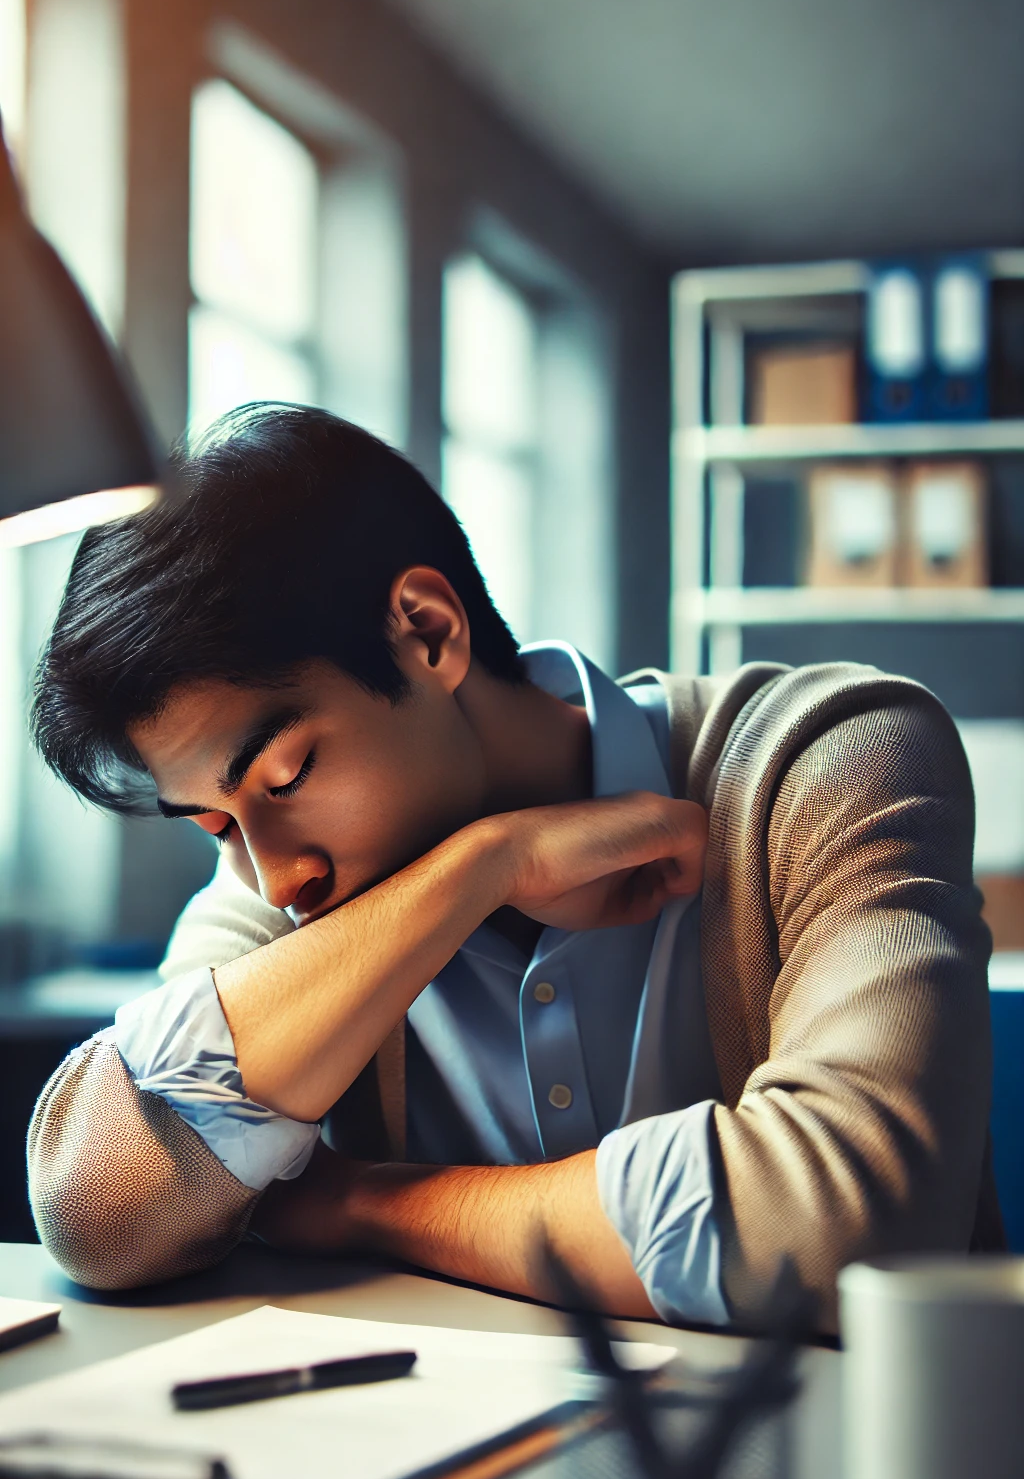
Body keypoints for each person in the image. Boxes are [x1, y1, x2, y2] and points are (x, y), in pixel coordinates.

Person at [26, 405, 1001, 1331]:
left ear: (428, 632)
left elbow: (851, 1232)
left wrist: (360, 1203)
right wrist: (484, 866)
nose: (277, 880)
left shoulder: (830, 757)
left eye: (287, 774)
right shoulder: (284, 876)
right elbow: (96, 1209)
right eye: (213, 823)